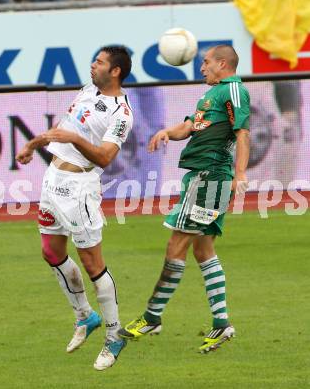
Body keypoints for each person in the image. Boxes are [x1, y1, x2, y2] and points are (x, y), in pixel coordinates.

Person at [118, 45, 250, 353]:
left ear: (222, 64)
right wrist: (167, 131)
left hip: (209, 176)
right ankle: (221, 324)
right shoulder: (211, 95)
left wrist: (240, 174)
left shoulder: (234, 91)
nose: (201, 67)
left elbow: (242, 132)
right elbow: (191, 125)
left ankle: (152, 316)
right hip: (203, 177)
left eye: (205, 63)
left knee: (176, 244)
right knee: (203, 250)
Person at [16, 46, 133, 370]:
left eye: (99, 62)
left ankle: (114, 335)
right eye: (93, 59)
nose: (92, 65)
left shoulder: (121, 113)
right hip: (53, 180)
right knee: (50, 251)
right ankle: (85, 315)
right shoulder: (86, 91)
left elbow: (105, 157)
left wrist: (74, 139)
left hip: (79, 188)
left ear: (116, 71)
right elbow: (63, 130)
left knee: (92, 262)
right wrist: (33, 144)